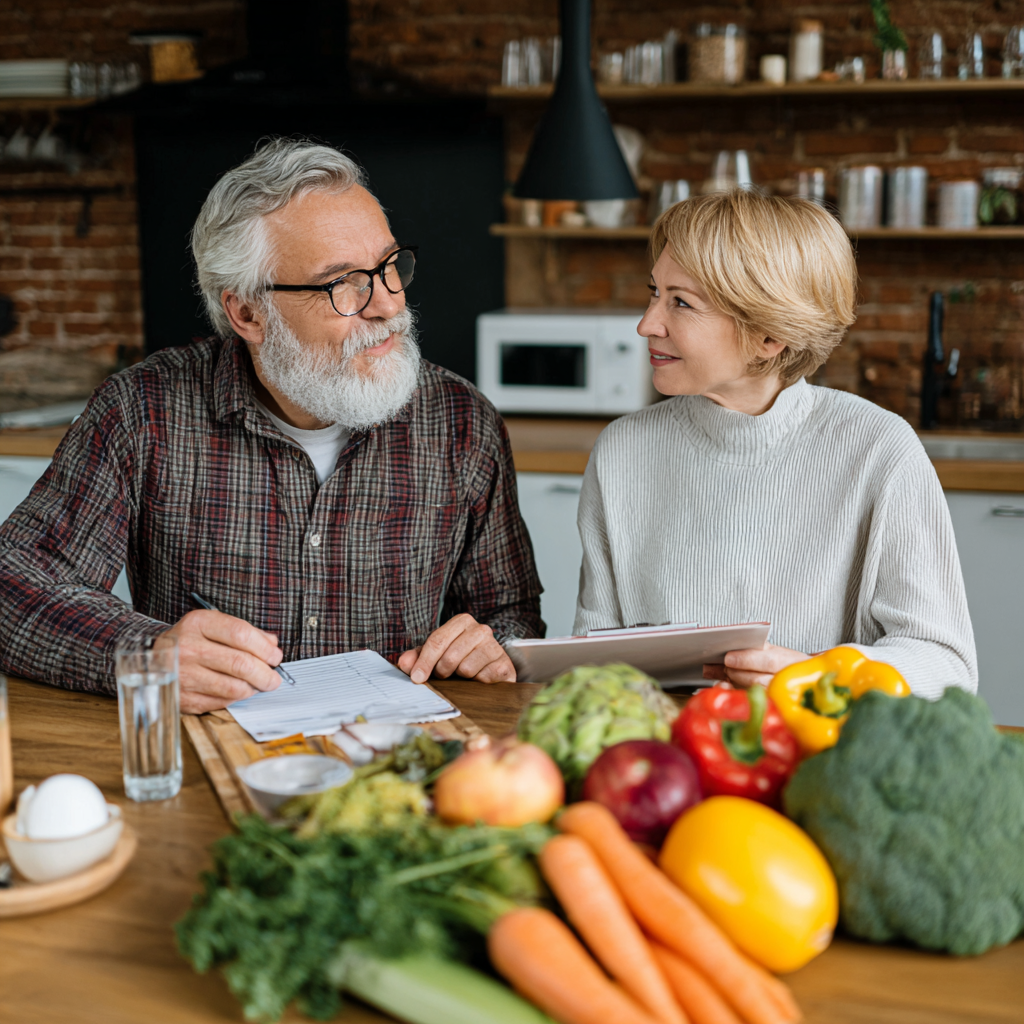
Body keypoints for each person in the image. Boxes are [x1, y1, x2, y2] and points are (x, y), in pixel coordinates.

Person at [0, 139, 543, 712]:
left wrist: (496, 646)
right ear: (248, 313)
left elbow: (511, 618)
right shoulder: (142, 413)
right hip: (213, 766)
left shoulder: (462, 424)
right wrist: (147, 652)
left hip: (396, 772)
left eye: (388, 267)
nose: (388, 304)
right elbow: (12, 588)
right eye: (343, 284)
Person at [574, 189, 976, 699]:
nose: (647, 324)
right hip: (667, 765)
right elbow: (593, 662)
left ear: (769, 335)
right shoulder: (621, 452)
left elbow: (947, 666)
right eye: (654, 292)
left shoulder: (879, 450)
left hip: (821, 765)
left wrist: (818, 675)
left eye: (681, 302)